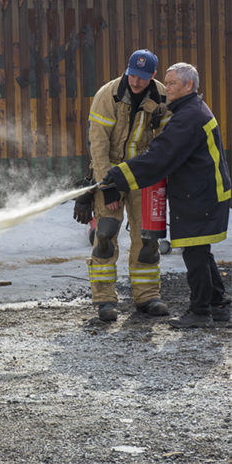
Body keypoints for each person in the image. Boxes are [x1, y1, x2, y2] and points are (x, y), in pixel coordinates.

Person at [100, 62, 230, 328]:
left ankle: (200, 312)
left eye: (171, 84)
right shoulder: (188, 110)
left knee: (194, 254)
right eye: (167, 82)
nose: (166, 88)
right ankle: (217, 305)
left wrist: (118, 176)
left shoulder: (189, 117)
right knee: (200, 251)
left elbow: (160, 156)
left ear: (188, 86)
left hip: (201, 195)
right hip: (201, 193)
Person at [84, 49, 170, 322]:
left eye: (142, 78)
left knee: (148, 238)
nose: (136, 83)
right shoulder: (107, 96)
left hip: (144, 175)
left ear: (153, 76)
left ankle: (147, 296)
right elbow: (98, 145)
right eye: (133, 75)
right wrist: (106, 185)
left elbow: (167, 141)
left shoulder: (161, 96)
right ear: (127, 70)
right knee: (106, 235)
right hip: (111, 173)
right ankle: (105, 299)